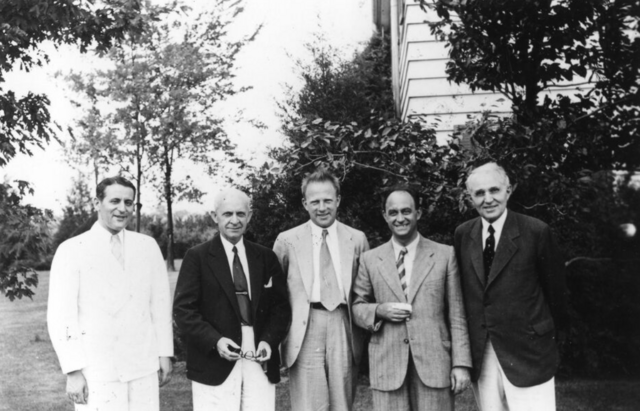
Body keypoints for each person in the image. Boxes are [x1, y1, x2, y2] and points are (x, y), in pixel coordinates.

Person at [47, 176, 173, 411]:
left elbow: (160, 305)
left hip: (143, 366)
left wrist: (164, 353)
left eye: (128, 202)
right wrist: (73, 371)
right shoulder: (72, 250)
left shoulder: (147, 246)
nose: (122, 209)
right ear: (97, 203)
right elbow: (61, 317)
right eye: (115, 201)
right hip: (98, 371)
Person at [454, 162, 568, 411]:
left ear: (508, 190)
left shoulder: (536, 232)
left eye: (494, 190)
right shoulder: (463, 234)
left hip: (529, 352)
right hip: (483, 352)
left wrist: (545, 339)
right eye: (479, 193)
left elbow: (556, 295)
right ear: (470, 198)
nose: (488, 199)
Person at [352, 186, 471, 411]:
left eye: (406, 211)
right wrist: (379, 310)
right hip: (388, 366)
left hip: (435, 364)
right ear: (385, 216)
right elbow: (357, 307)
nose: (400, 218)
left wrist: (461, 364)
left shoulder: (445, 255)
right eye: (393, 212)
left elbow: (457, 314)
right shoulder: (369, 259)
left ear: (418, 213)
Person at [173, 188, 291, 411]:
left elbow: (281, 308)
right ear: (214, 216)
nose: (234, 220)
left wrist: (268, 341)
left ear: (250, 216)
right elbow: (184, 311)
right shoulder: (197, 257)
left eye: (240, 214)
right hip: (214, 358)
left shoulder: (266, 257)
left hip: (259, 356)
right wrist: (215, 341)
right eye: (227, 214)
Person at [273, 167, 370, 411]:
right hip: (305, 327)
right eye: (315, 201)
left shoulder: (357, 239)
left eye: (328, 200)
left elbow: (364, 291)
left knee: (342, 403)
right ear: (305, 203)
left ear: (338, 200)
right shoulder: (287, 240)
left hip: (342, 324)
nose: (322, 207)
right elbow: (276, 295)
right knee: (309, 404)